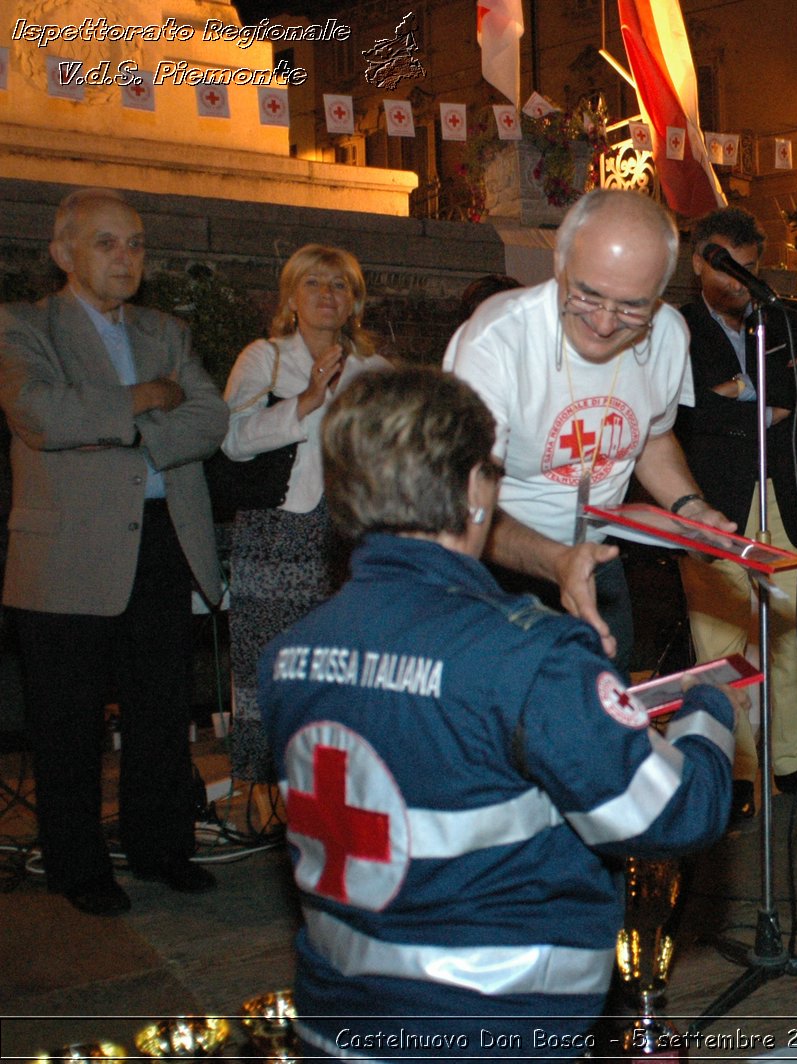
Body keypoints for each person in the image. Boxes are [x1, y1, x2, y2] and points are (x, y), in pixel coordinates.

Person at [260, 366, 736, 1059]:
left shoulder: (288, 653)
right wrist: (710, 711)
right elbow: (671, 813)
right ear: (475, 491)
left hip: (336, 1024)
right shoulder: (525, 655)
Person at [0, 188, 227, 916]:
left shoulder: (165, 330)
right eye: (107, 243)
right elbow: (43, 413)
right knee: (67, 723)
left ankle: (162, 847)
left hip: (160, 542)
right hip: (66, 552)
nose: (126, 257)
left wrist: (129, 424)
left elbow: (211, 418)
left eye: (135, 243)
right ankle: (77, 866)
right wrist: (148, 400)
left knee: (160, 713)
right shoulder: (22, 326)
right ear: (64, 253)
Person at [443, 189, 732, 672]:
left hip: (598, 559)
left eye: (630, 309)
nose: (602, 324)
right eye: (587, 295)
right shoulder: (498, 339)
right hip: (496, 565)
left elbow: (654, 438)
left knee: (600, 727)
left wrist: (691, 509)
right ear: (559, 260)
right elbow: (463, 504)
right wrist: (555, 560)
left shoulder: (669, 336)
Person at [677, 206, 797, 811]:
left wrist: (742, 396)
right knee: (720, 642)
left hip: (787, 497)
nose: (739, 280)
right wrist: (764, 405)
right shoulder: (676, 328)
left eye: (749, 267)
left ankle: (794, 763)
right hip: (714, 501)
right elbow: (687, 408)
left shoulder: (783, 321)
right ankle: (738, 772)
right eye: (726, 267)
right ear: (699, 263)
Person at [218, 245, 389, 782]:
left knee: (344, 663)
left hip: (351, 534)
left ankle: (342, 779)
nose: (326, 295)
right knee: (276, 659)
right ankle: (277, 789)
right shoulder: (263, 359)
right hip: (277, 531)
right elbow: (232, 441)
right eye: (313, 284)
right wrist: (305, 402)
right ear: (291, 297)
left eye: (339, 286)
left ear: (353, 303)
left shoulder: (374, 369)